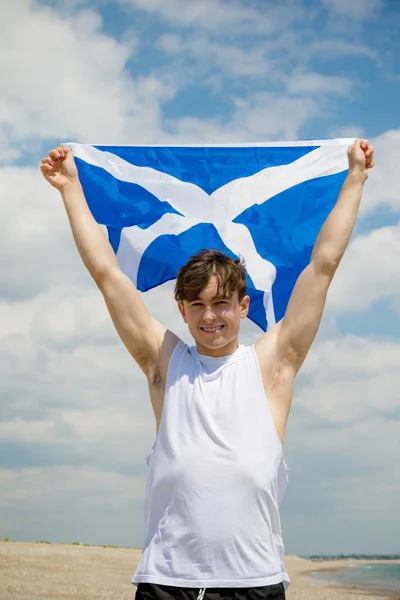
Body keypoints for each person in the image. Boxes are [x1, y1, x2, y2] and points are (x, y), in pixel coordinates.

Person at [41, 139, 375, 600]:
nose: (209, 316)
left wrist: (354, 179)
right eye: (196, 305)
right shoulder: (165, 362)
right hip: (167, 580)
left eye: (221, 304)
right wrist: (71, 189)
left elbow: (322, 266)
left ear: (242, 306)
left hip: (254, 581)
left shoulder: (270, 366)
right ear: (181, 310)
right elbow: (107, 274)